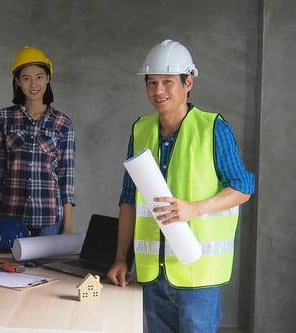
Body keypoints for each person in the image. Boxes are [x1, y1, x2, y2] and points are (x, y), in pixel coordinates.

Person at [107, 39, 255, 333]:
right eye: (151, 82)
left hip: (198, 276)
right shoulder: (141, 129)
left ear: (188, 82)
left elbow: (243, 188)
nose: (158, 91)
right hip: (152, 275)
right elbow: (128, 199)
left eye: (167, 82)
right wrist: (121, 258)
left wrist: (194, 209)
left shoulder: (213, 128)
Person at [0, 45, 76, 248]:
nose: (33, 84)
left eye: (39, 76)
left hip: (49, 218)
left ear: (48, 78)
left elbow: (66, 177)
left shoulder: (63, 123)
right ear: (17, 81)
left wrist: (67, 226)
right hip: (9, 216)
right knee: (8, 276)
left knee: (49, 277)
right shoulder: (3, 118)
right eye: (26, 78)